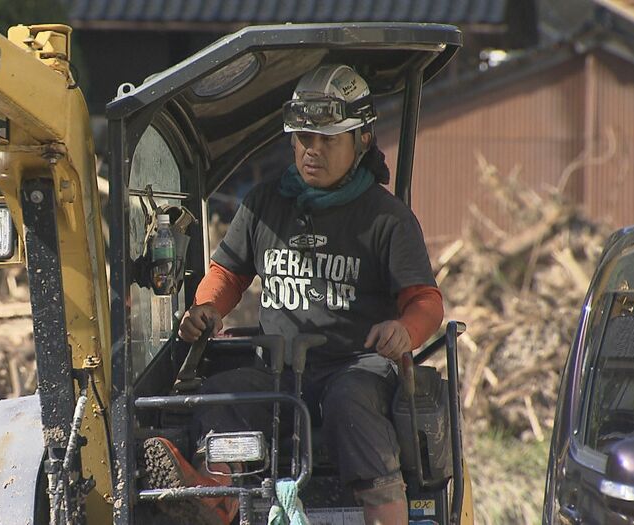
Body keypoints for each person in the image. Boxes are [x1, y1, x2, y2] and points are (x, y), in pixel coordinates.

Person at [142, 64, 444, 525]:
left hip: (357, 368)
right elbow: (227, 271)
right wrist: (207, 308)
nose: (312, 150)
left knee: (351, 404)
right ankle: (217, 496)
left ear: (362, 139)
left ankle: (385, 512)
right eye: (304, 138)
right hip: (279, 369)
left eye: (328, 140)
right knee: (226, 393)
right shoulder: (264, 204)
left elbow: (425, 301)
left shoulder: (388, 219)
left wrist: (405, 330)